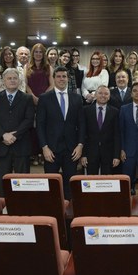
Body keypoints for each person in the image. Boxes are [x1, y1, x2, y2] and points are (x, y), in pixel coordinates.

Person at [37, 66, 85, 199]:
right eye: (58, 76)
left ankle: (69, 214)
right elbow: (40, 125)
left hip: (72, 150)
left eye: (64, 76)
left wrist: (80, 145)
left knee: (70, 184)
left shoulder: (77, 98)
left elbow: (81, 124)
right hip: (51, 149)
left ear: (68, 79)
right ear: (53, 79)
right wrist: (44, 147)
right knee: (51, 184)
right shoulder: (45, 98)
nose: (61, 79)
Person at [0, 68, 34, 194]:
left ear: (19, 81)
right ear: (3, 81)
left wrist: (15, 135)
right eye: (9, 78)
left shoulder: (27, 98)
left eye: (15, 78)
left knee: (23, 181)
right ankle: (3, 207)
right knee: (3, 182)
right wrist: (3, 135)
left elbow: (29, 120)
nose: (12, 80)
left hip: (21, 145)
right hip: (1, 145)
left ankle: (22, 208)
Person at [80, 85, 120, 175]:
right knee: (91, 181)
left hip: (108, 154)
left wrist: (116, 156)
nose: (103, 95)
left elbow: (117, 135)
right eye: (100, 93)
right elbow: (83, 134)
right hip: (90, 153)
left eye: (106, 94)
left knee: (107, 182)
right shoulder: (86, 110)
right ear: (95, 95)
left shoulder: (115, 112)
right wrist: (83, 154)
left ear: (109, 97)